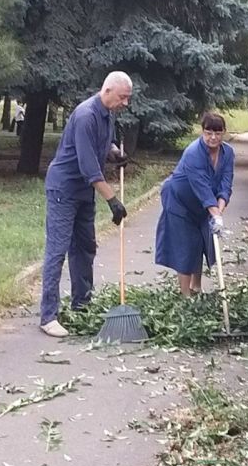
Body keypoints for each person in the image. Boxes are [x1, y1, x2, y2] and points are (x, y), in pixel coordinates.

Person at [39, 71, 132, 337]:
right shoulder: (85, 115)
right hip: (63, 189)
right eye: (123, 97)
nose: (125, 103)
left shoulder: (107, 115)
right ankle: (48, 316)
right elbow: (89, 167)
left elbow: (102, 143)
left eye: (128, 98)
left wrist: (114, 153)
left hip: (83, 193)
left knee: (85, 247)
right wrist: (113, 200)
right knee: (57, 250)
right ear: (108, 90)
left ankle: (82, 305)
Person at [155, 113, 234, 297]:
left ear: (224, 133)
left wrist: (218, 214)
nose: (213, 137)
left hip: (204, 206)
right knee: (185, 246)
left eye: (217, 133)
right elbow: (203, 189)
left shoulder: (228, 152)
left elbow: (226, 184)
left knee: (201, 241)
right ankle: (185, 297)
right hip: (179, 202)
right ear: (202, 132)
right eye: (208, 133)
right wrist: (214, 213)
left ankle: (196, 288)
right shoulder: (193, 153)